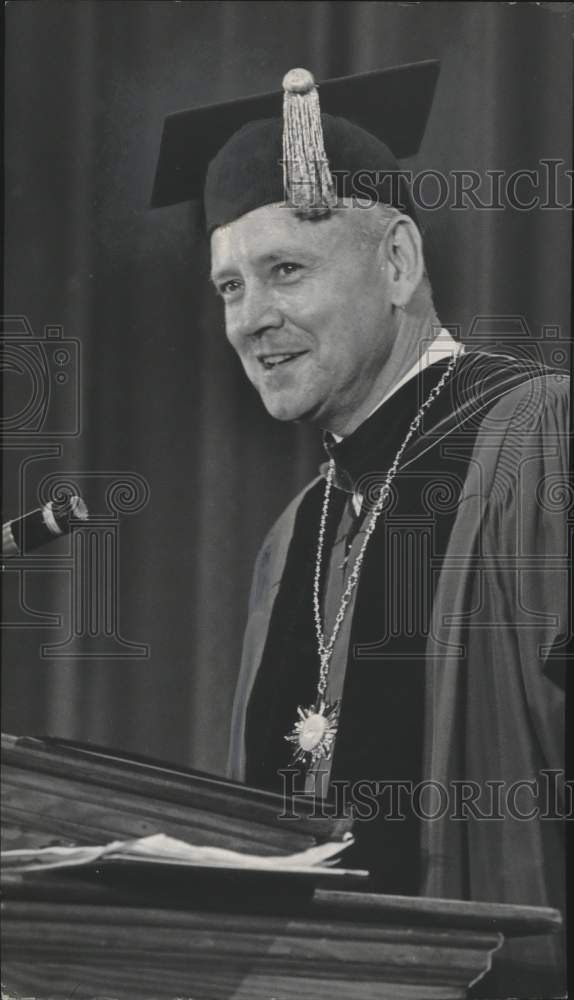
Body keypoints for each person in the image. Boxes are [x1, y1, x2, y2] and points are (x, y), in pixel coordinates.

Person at [153, 62, 568, 996]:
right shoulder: (295, 535)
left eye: (285, 270)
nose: (252, 320)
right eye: (227, 287)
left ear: (398, 262)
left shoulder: (543, 441)